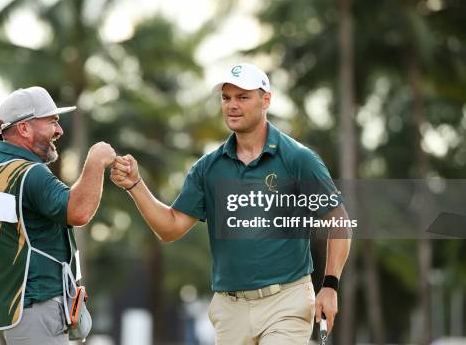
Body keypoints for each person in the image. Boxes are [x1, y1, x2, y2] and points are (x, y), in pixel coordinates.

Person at [111, 63, 351, 344]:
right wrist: (135, 186)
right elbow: (171, 228)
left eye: (242, 97)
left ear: (266, 100)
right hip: (230, 310)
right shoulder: (207, 169)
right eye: (226, 98)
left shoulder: (298, 159)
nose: (232, 106)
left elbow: (338, 221)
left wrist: (330, 286)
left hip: (286, 302)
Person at [0, 86, 115, 345]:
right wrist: (96, 161)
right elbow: (79, 211)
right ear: (24, 128)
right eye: (52, 122)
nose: (59, 131)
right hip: (36, 311)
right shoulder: (31, 173)